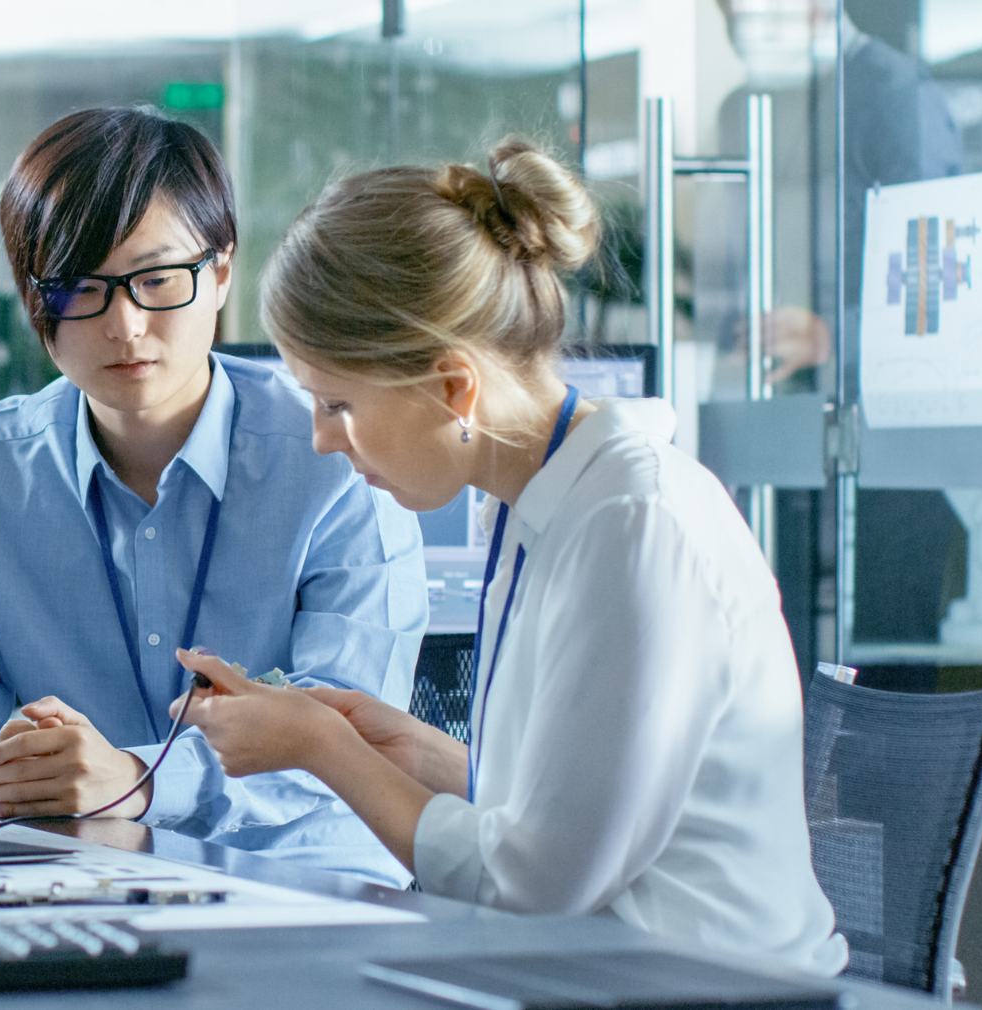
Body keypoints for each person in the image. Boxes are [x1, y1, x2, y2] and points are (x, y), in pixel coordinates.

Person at [172, 140, 849, 972]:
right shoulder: (542, 505)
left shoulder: (633, 526)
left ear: (455, 387)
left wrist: (325, 750)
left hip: (701, 987)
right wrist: (419, 755)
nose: (322, 439)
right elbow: (572, 810)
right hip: (607, 972)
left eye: (338, 403)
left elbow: (535, 885)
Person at [0, 107, 429, 860]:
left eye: (158, 279)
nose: (125, 326)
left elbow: (351, 740)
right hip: (70, 881)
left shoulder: (337, 457)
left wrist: (136, 780)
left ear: (222, 270)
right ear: (34, 297)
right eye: (79, 289)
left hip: (299, 883)